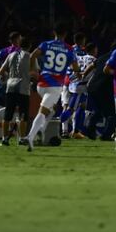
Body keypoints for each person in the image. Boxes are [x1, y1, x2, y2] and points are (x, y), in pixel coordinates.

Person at [26, 23, 80, 151]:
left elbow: (33, 55)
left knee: (52, 109)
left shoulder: (45, 44)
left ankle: (41, 129)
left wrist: (33, 70)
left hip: (41, 83)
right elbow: (76, 68)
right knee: (43, 110)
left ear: (54, 33)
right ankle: (31, 136)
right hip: (54, 86)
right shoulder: (68, 49)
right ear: (65, 34)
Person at [0, 36, 33, 146]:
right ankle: (22, 138)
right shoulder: (30, 56)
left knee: (8, 114)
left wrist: (7, 76)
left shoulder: (11, 55)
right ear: (29, 46)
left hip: (11, 86)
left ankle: (4, 139)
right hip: (23, 87)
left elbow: (1, 71)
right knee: (23, 114)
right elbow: (36, 73)